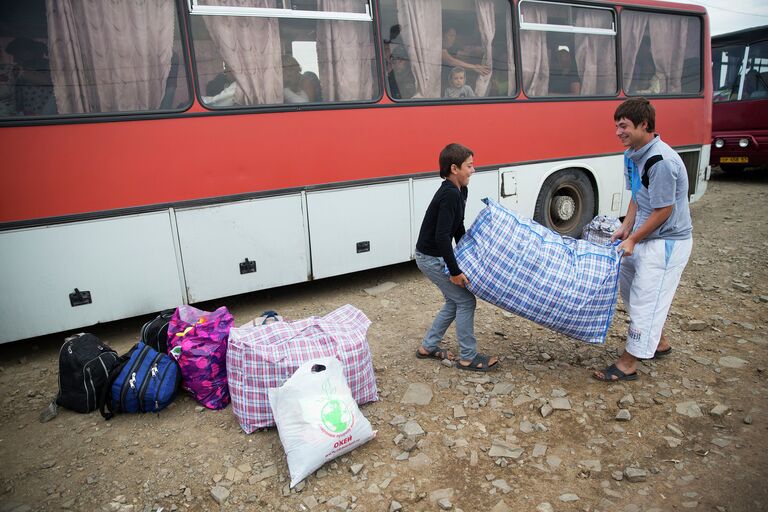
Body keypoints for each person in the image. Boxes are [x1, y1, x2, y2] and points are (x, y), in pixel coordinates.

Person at [594, 98, 693, 383]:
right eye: (616, 126)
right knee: (631, 293)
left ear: (644, 125)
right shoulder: (632, 154)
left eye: (623, 126)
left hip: (666, 242)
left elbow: (664, 210)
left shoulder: (660, 161)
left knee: (646, 300)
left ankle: (628, 364)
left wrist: (634, 238)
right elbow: (638, 195)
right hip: (641, 238)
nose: (618, 132)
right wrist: (625, 227)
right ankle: (658, 341)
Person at [415, 143, 499, 372]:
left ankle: (428, 347)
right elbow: (442, 237)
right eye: (469, 166)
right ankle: (468, 357)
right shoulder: (449, 193)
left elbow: (457, 225)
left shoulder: (461, 190)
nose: (473, 170)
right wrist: (455, 271)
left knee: (454, 301)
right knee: (465, 301)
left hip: (434, 256)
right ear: (454, 168)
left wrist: (468, 254)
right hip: (429, 258)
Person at [6, 36, 56, 115]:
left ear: (30, 52)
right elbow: (18, 100)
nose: (15, 60)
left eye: (17, 55)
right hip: (29, 118)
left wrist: (21, 72)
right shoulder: (19, 72)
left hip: (49, 116)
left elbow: (47, 80)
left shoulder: (49, 65)